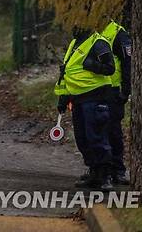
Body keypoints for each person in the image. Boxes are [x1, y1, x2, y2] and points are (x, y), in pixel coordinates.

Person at [55, 27, 115, 191]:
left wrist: (92, 65)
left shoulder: (98, 42)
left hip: (95, 97)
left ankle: (105, 175)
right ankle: (94, 172)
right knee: (82, 138)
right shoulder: (74, 43)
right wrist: (63, 99)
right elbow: (67, 73)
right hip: (78, 99)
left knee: (96, 137)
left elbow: (110, 68)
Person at [101, 20, 132, 185]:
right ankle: (100, 170)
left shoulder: (118, 33)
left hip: (113, 91)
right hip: (97, 90)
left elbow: (128, 63)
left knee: (113, 131)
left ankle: (118, 170)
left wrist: (126, 90)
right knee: (98, 131)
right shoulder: (92, 31)